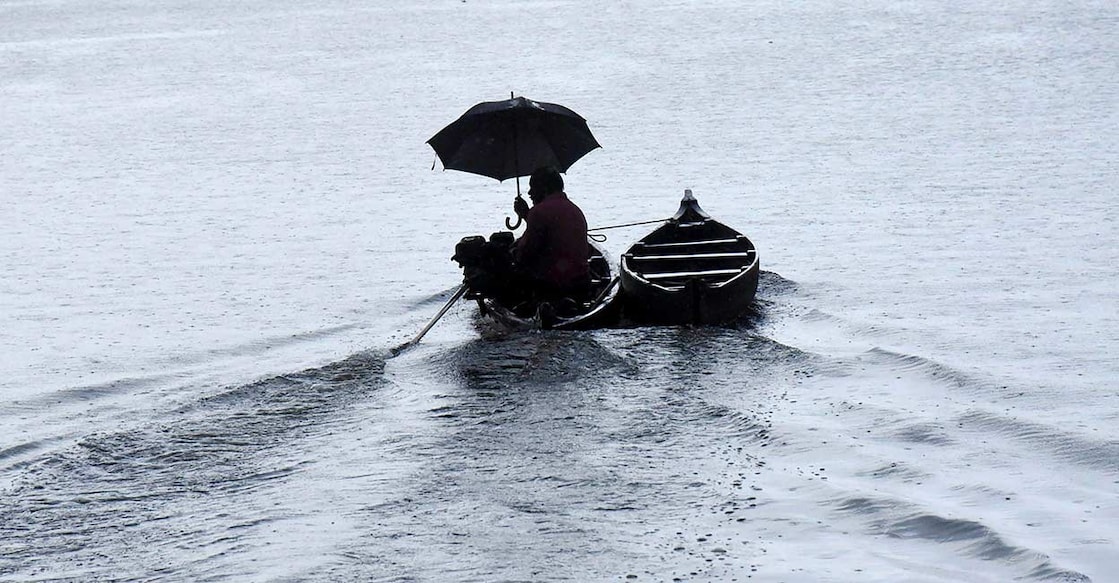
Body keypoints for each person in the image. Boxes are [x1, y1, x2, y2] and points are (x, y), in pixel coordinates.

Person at [511, 166, 590, 299]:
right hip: (581, 280)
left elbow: (526, 253)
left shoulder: (538, 212)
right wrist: (527, 215)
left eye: (533, 188)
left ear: (544, 189)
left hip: (553, 284)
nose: (530, 193)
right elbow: (550, 229)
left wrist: (512, 253)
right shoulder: (574, 209)